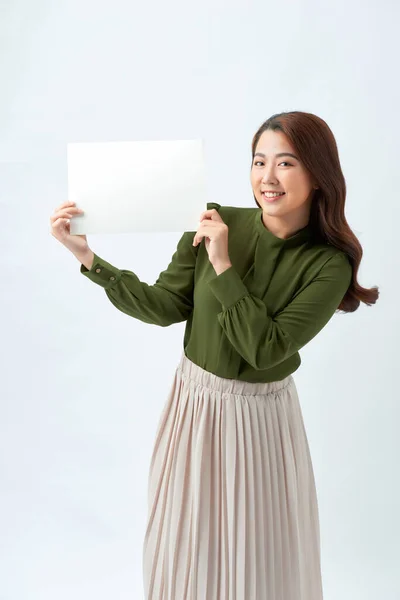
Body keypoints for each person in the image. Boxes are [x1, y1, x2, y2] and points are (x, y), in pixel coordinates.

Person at [50, 111, 379, 600]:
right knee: (181, 547)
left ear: (317, 174)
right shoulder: (215, 219)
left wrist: (223, 265)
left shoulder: (328, 264)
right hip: (194, 407)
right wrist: (88, 258)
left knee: (257, 555)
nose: (267, 177)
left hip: (261, 420)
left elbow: (264, 349)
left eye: (286, 163)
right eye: (258, 161)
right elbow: (165, 306)